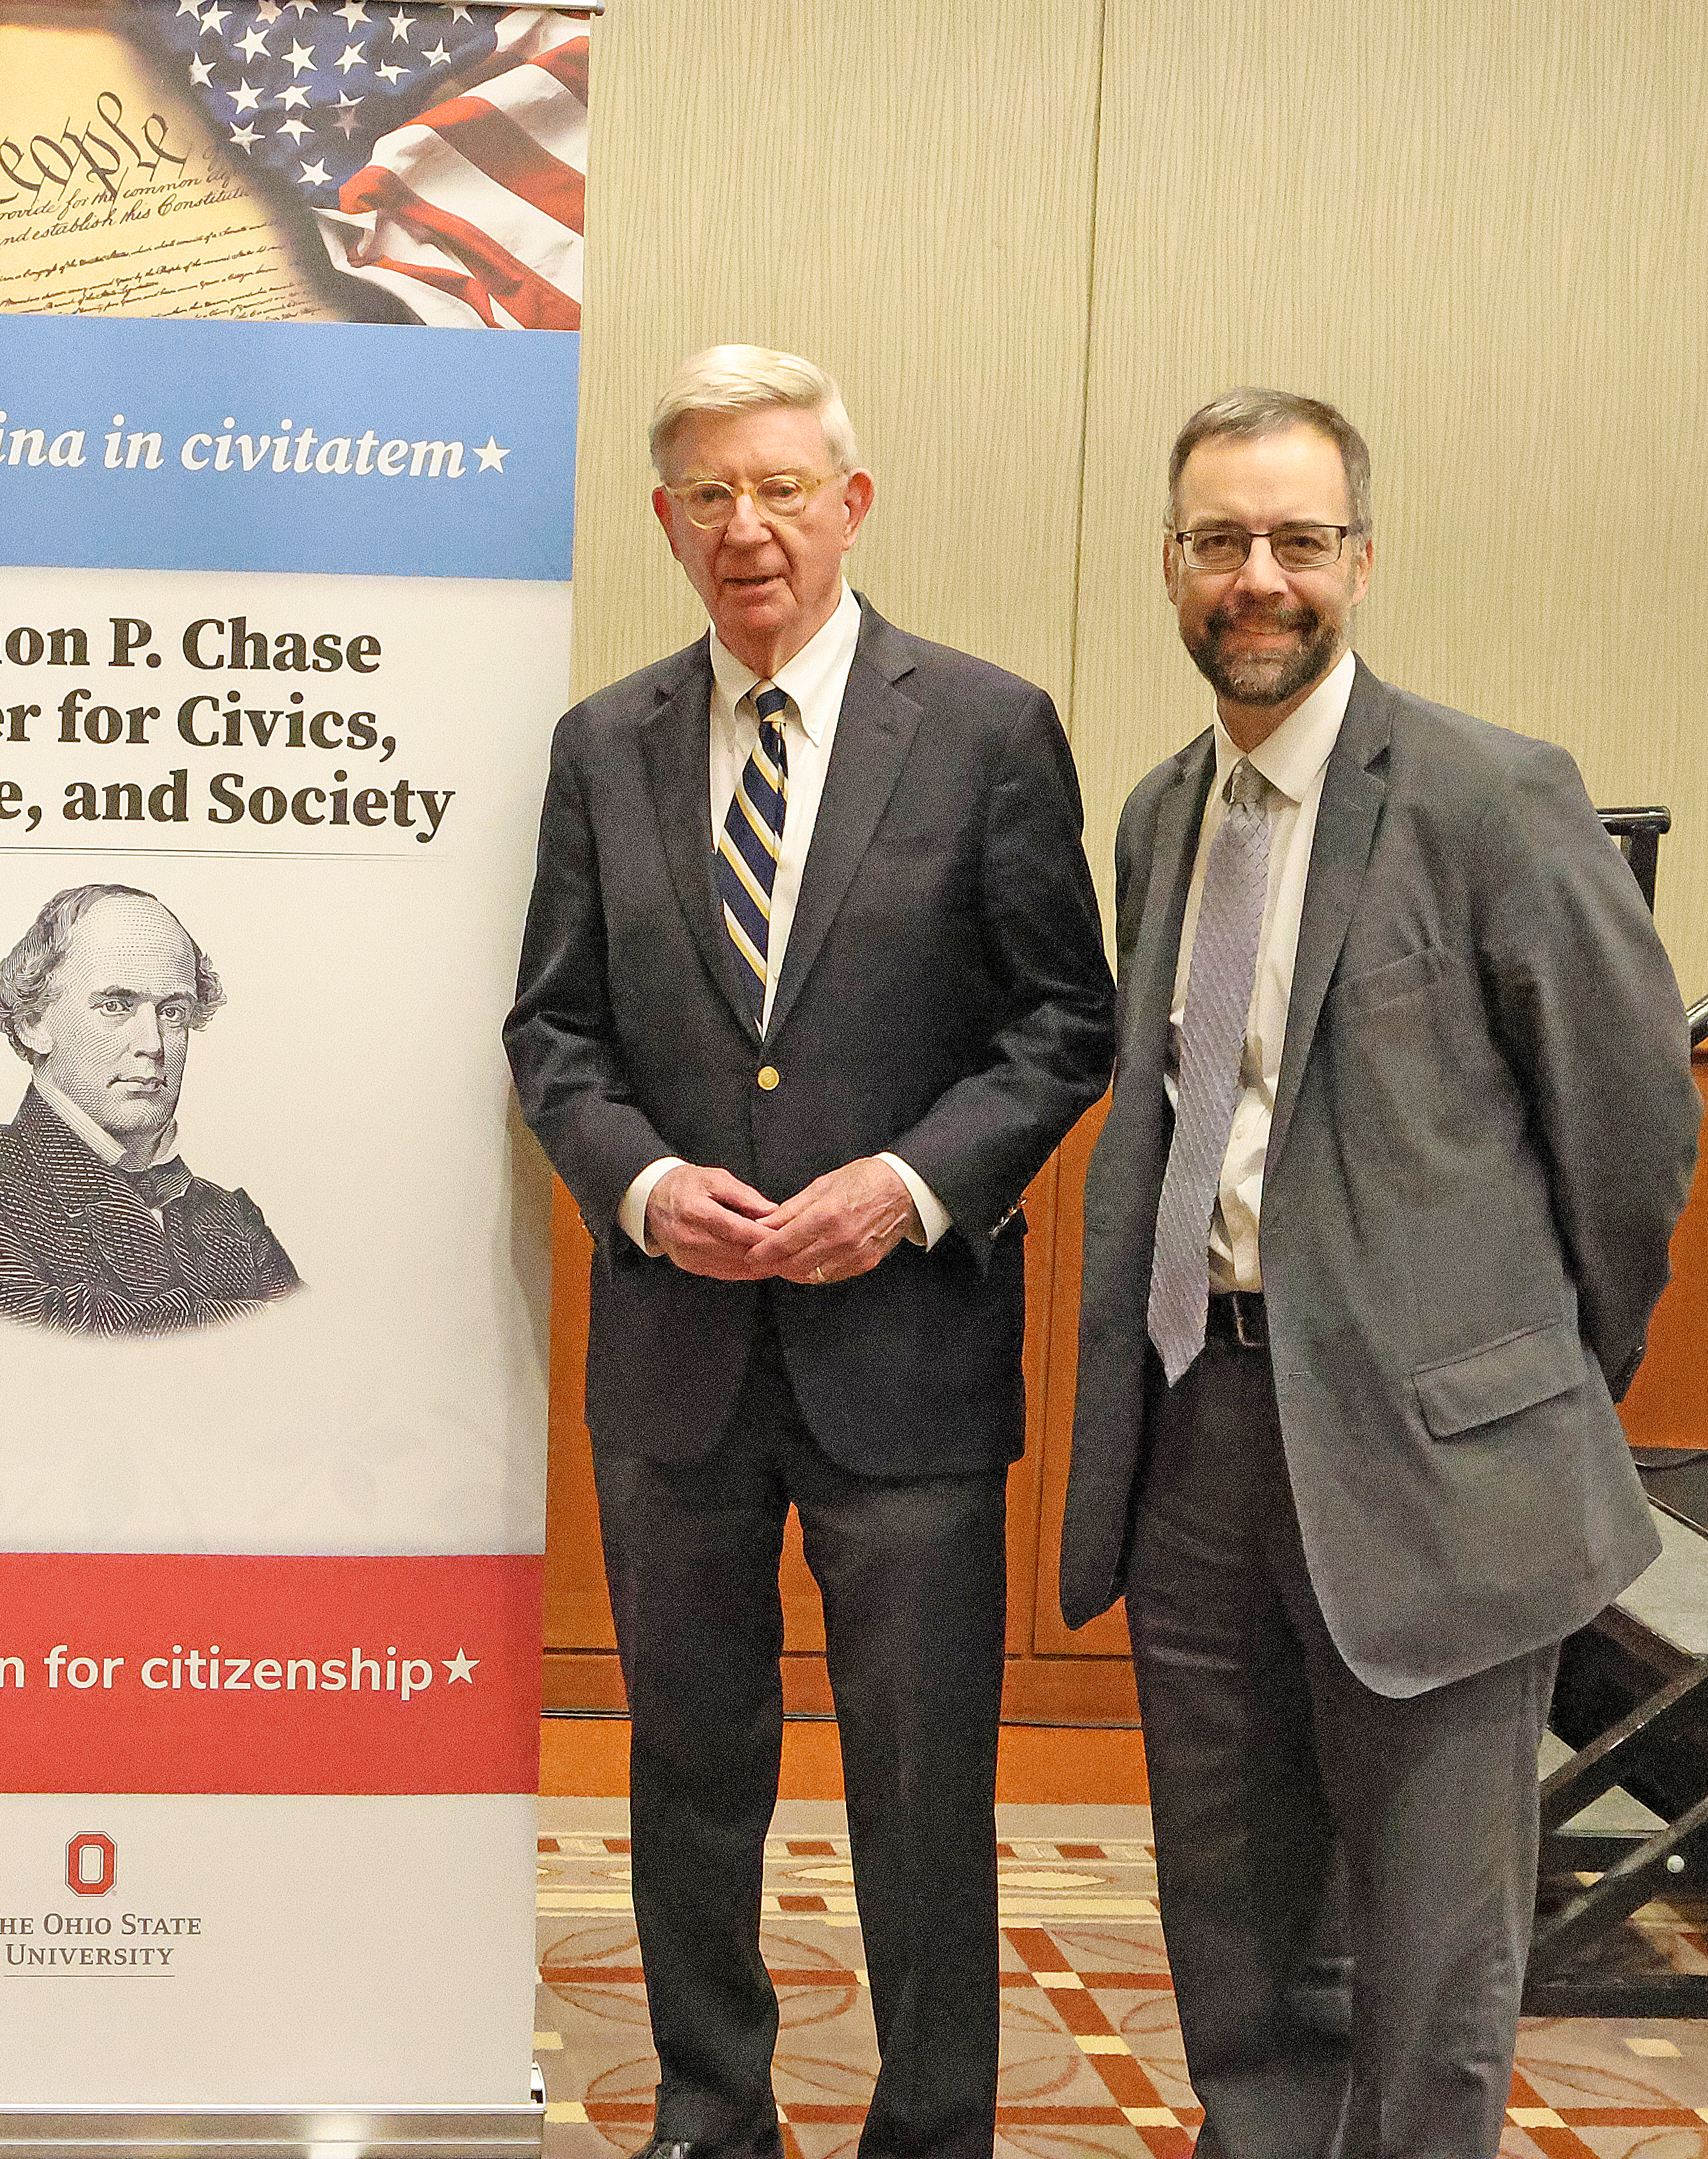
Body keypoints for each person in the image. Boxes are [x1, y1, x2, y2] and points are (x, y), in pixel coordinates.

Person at [1058, 390, 1698, 2149]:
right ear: (1173, 565)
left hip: (1436, 1466)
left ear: (1358, 559)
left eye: (1296, 540)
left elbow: (1633, 1133)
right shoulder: (1159, 813)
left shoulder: (1495, 796)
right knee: (1243, 1935)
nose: (1257, 578)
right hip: (1200, 1429)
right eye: (1219, 541)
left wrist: (1532, 1383)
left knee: (1432, 1964)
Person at [506, 346, 1113, 2157]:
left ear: (853, 502)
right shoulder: (602, 744)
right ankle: (712, 2107)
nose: (746, 525)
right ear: (667, 522)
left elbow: (1061, 1020)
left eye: (781, 487)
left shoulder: (989, 726)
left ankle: (932, 2123)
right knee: (692, 1774)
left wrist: (915, 1186)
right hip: (676, 1363)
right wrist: (635, 1181)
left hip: (907, 1359)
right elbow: (555, 1032)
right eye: (710, 492)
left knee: (923, 1791)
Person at [0, 883, 299, 1334]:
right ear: (33, 1023)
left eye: (173, 1013)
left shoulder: (232, 1217)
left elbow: (306, 1347)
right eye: (115, 1005)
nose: (153, 1045)